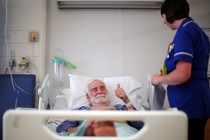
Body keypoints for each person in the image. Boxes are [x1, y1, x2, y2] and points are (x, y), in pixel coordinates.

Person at [151, 0, 210, 140]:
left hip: (190, 103)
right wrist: (168, 74)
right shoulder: (196, 31)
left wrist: (159, 79)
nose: (164, 22)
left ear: (170, 14)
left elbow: (183, 74)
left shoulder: (184, 32)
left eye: (163, 16)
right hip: (196, 100)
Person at [56, 79, 143, 136]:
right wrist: (82, 129)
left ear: (107, 92)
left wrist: (127, 100)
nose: (100, 91)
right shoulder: (82, 111)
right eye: (94, 90)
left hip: (121, 134)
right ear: (88, 96)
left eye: (102, 88)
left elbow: (141, 126)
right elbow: (61, 127)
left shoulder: (120, 108)